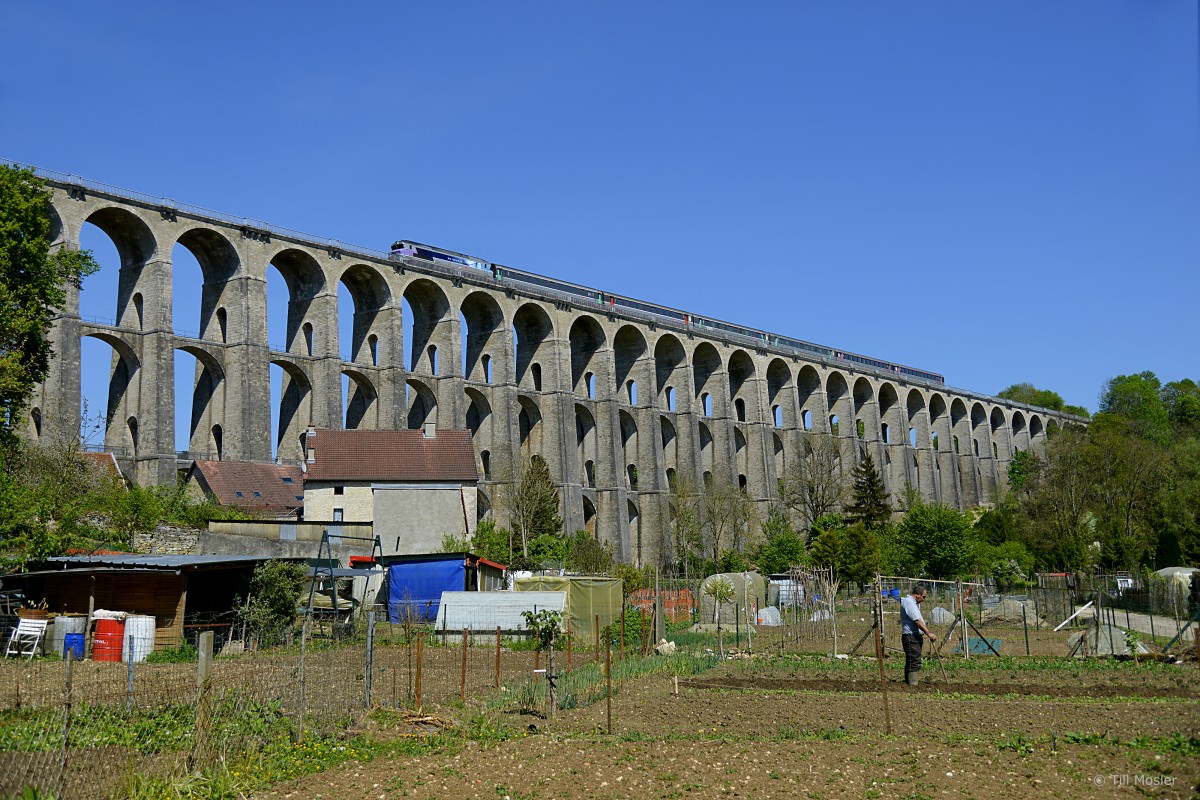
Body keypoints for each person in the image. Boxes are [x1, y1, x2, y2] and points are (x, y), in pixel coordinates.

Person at [900, 585, 937, 686]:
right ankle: (913, 684)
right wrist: (928, 633)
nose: (924, 599)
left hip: (914, 635)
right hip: (911, 636)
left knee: (912, 658)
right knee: (914, 659)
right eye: (923, 597)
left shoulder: (912, 603)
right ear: (917, 595)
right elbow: (917, 621)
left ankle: (909, 681)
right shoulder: (909, 603)